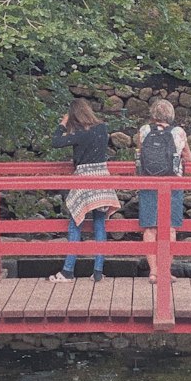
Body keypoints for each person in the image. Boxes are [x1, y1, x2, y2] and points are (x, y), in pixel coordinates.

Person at [49, 98, 121, 282]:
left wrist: (63, 124)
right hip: (102, 176)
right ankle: (97, 271)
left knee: (76, 222)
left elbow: (55, 142)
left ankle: (68, 271)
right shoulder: (102, 128)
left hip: (84, 177)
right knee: (99, 224)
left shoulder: (80, 133)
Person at [136, 98, 191, 283]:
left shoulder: (144, 130)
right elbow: (188, 157)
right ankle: (166, 272)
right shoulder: (178, 132)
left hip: (148, 182)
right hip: (172, 184)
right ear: (171, 114)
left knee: (150, 227)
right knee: (170, 228)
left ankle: (153, 272)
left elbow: (140, 153)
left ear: (153, 114)